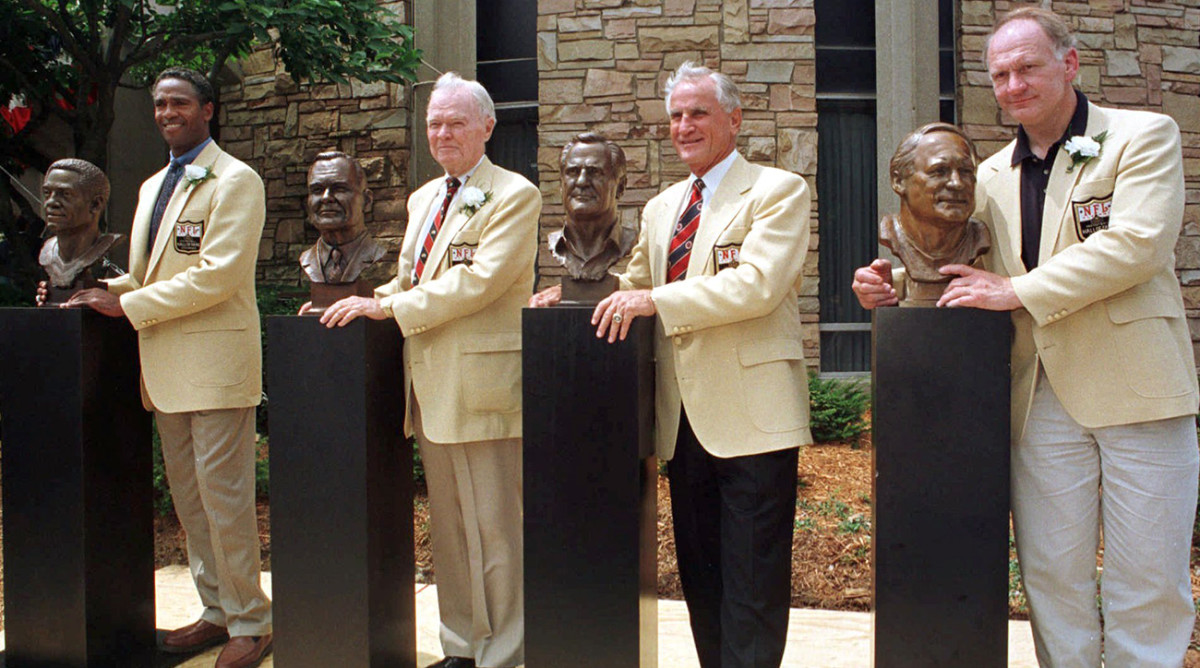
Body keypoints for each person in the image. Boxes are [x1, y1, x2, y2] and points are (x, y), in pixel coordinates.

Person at [853, 8, 1199, 667]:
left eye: (1028, 67)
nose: (1014, 84)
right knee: (1051, 578)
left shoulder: (1140, 136)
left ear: (1068, 65)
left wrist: (1018, 292)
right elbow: (967, 261)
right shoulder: (985, 176)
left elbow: (1138, 246)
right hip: (1038, 400)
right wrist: (892, 283)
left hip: (1139, 391)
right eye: (1001, 74)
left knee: (1147, 582)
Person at [531, 62, 812, 668]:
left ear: (733, 119)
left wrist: (652, 299)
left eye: (698, 113)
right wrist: (573, 297)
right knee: (703, 583)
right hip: (682, 426)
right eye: (677, 116)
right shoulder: (664, 207)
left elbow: (756, 286)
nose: (684, 126)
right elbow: (630, 282)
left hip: (754, 421)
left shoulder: (778, 191)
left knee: (753, 587)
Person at [316, 72, 539, 668]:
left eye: (456, 122)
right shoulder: (424, 198)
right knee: (452, 531)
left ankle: (508, 654)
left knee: (497, 533)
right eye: (434, 122)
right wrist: (359, 298)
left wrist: (386, 306)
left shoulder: (515, 194)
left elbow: (479, 282)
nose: (442, 132)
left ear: (487, 127)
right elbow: (412, 281)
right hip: (430, 390)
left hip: (483, 389)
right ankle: (463, 647)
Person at [65, 67, 273, 668]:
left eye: (180, 102)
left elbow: (219, 274)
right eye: (159, 104)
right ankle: (216, 611)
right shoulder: (154, 184)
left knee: (225, 501)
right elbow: (148, 273)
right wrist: (88, 289)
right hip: (164, 371)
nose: (166, 112)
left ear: (208, 110)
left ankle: (252, 623)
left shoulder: (237, 181)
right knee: (190, 500)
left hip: (214, 367)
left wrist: (125, 305)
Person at [877, 123, 989, 306]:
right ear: (898, 181)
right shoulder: (892, 234)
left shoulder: (981, 239)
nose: (957, 183)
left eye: (966, 171)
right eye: (939, 171)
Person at [549, 132, 633, 284]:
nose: (581, 182)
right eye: (572, 172)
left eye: (595, 172)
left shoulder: (633, 244)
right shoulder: (555, 245)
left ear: (620, 186)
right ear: (561, 185)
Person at [37, 158, 123, 299]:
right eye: (47, 193)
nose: (51, 203)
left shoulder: (102, 246)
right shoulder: (47, 252)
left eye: (66, 194)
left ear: (96, 204)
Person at [298, 150, 385, 285]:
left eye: (339, 189)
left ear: (367, 201)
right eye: (317, 190)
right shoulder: (306, 259)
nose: (326, 198)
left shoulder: (381, 256)